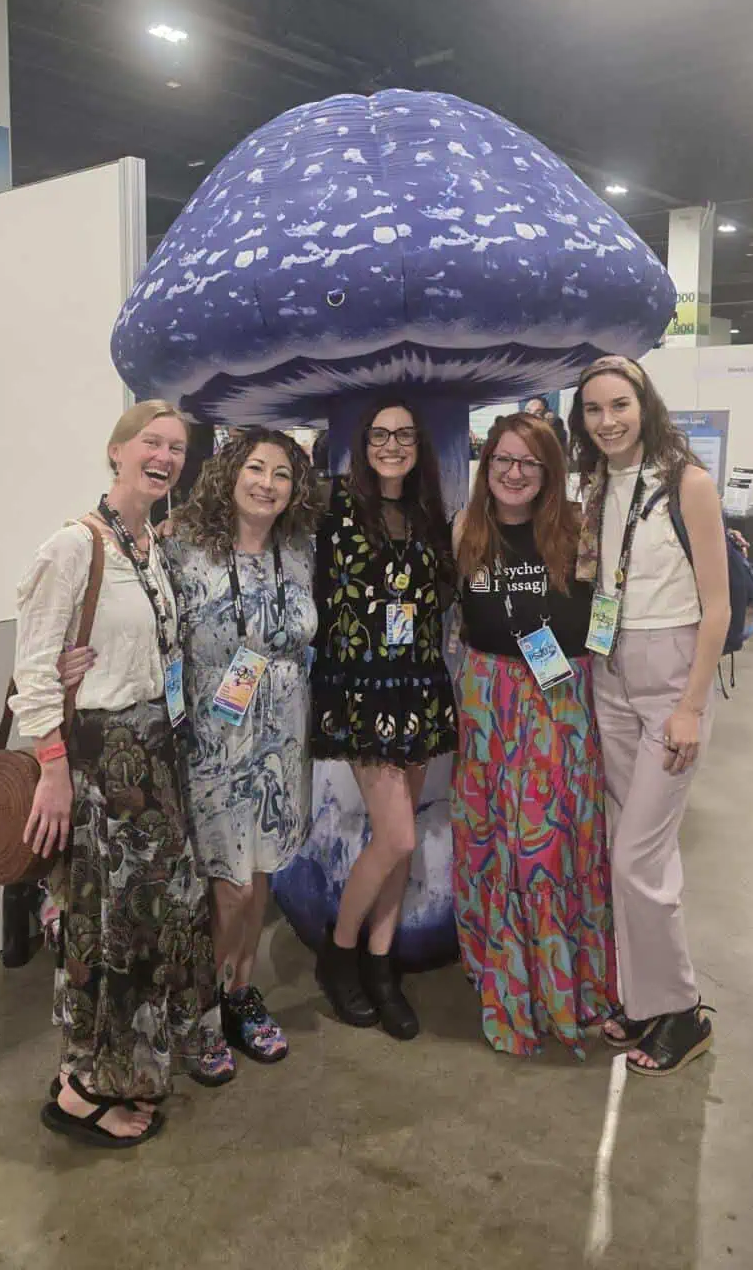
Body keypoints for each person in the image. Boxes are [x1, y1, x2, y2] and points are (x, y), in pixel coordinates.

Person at [11, 399, 216, 1147]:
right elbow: (34, 668)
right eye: (151, 442)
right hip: (100, 764)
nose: (164, 457)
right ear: (116, 450)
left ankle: (120, 1070)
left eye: (176, 448)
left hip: (154, 757)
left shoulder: (149, 544)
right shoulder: (74, 546)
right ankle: (81, 1089)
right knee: (102, 930)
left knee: (147, 928)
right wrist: (52, 770)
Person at [570, 355, 729, 1077]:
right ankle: (643, 1000)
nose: (607, 421)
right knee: (628, 847)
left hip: (670, 677)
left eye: (619, 405)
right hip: (610, 671)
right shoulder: (596, 484)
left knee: (638, 856)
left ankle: (683, 1009)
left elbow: (717, 606)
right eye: (593, 409)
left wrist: (691, 705)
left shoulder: (687, 482)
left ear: (645, 405)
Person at [452, 413, 617, 1056]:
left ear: (550, 471)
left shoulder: (578, 531)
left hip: (558, 706)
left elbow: (608, 609)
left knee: (546, 849)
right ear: (486, 465)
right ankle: (504, 979)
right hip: (487, 707)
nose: (514, 474)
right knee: (495, 844)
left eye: (529, 463)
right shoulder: (465, 530)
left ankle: (560, 985)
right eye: (503, 460)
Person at [169, 428, 320, 1076]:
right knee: (228, 886)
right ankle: (200, 1009)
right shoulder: (185, 549)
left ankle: (239, 993)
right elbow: (160, 640)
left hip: (281, 740)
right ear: (230, 473)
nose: (267, 483)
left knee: (259, 878)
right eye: (256, 468)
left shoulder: (299, 550)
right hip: (216, 740)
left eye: (282, 474)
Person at [310, 400, 457, 1039]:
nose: (391, 445)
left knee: (403, 839)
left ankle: (381, 961)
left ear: (419, 444)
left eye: (404, 434)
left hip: (419, 686)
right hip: (360, 692)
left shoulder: (429, 515)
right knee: (396, 837)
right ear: (363, 444)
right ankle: (339, 952)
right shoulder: (332, 506)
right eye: (379, 435)